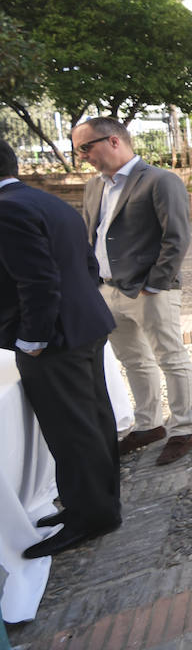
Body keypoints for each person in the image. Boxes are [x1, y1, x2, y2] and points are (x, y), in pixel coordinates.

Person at [0, 138, 122, 558]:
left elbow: (36, 282)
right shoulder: (41, 200)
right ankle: (98, 505)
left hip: (53, 339)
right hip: (83, 325)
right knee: (94, 420)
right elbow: (86, 263)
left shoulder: (7, 209)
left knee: (74, 430)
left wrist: (32, 339)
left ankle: (93, 516)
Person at [70, 116, 192, 465]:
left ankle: (185, 428)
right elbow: (90, 235)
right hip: (106, 291)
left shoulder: (160, 180)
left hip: (149, 291)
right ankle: (149, 424)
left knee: (170, 357)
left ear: (113, 140)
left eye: (85, 147)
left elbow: (177, 237)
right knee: (133, 360)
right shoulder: (94, 186)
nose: (82, 156)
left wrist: (155, 284)